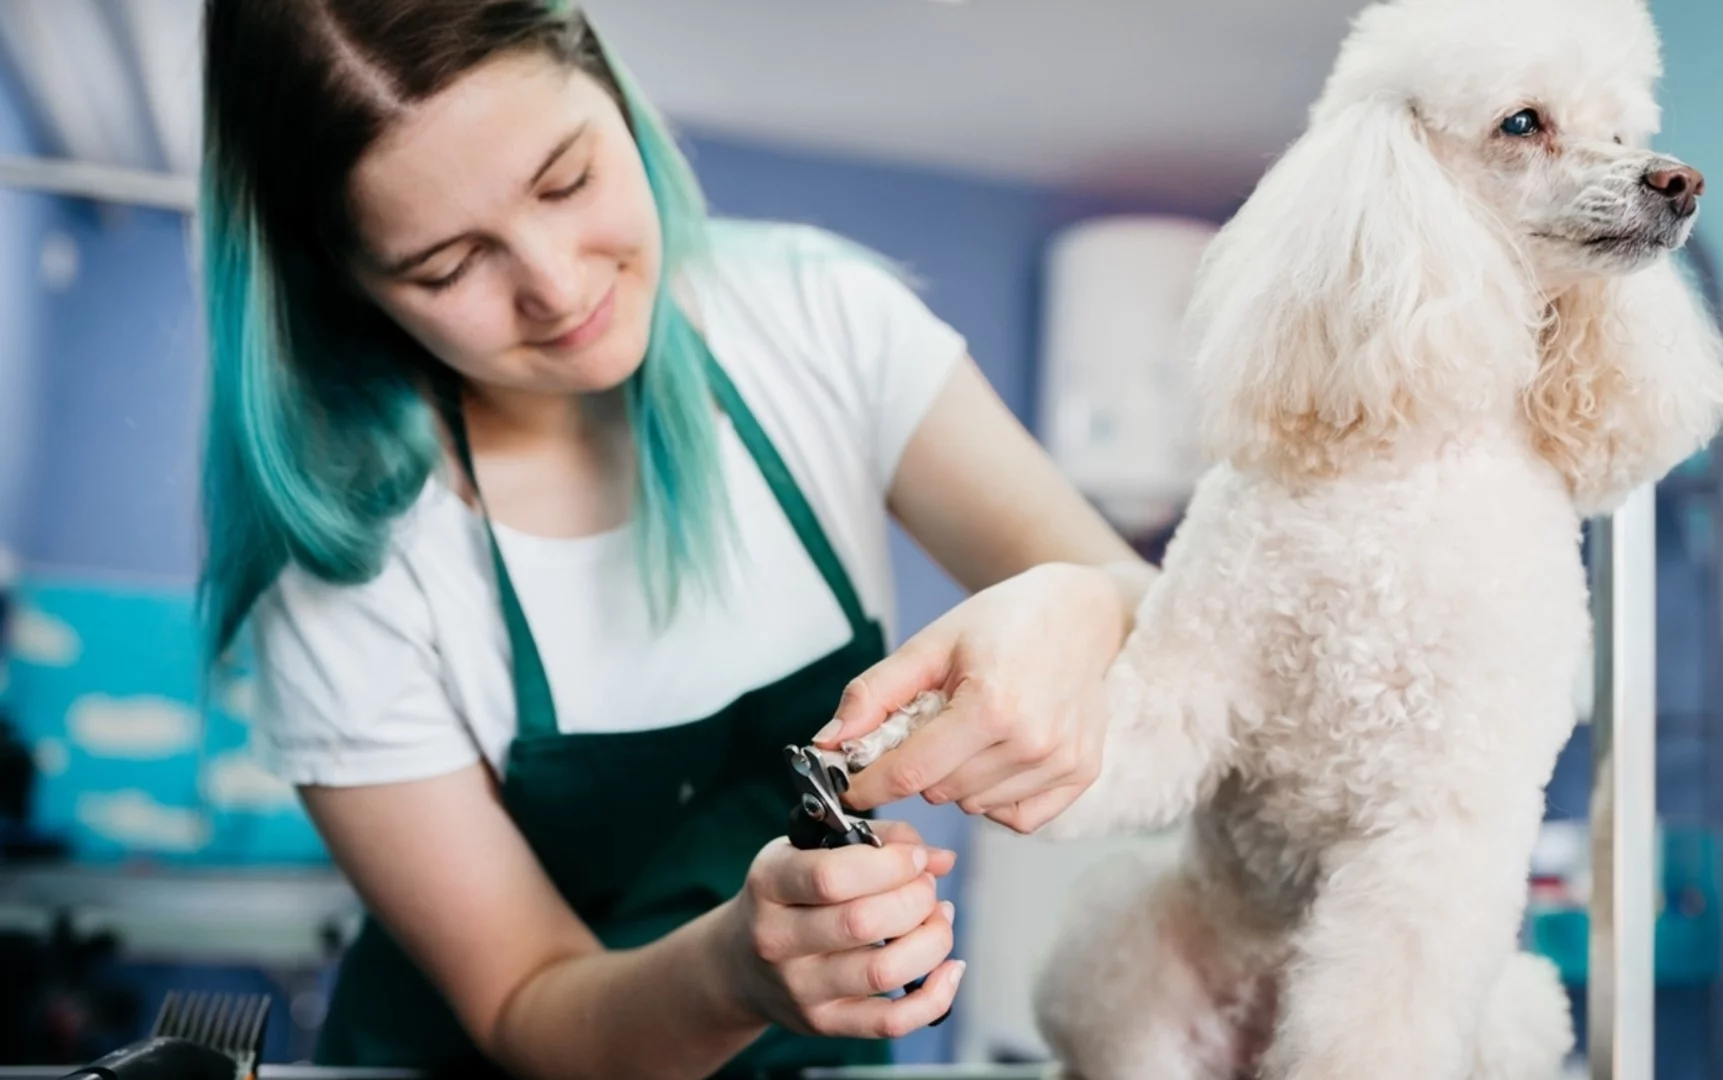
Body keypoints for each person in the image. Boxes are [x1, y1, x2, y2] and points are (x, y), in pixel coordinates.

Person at [194, 2, 1157, 1078]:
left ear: (612, 89)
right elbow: (527, 1001)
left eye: (566, 181)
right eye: (447, 265)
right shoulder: (348, 571)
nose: (557, 288)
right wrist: (734, 975)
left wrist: (1081, 603)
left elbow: (1141, 607)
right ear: (345, 283)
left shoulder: (823, 324)